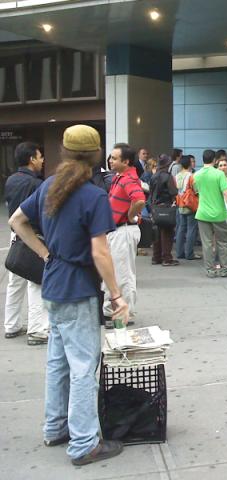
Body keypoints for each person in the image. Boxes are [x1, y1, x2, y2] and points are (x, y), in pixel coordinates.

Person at [9, 124, 128, 465]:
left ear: (63, 151)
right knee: (81, 367)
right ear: (95, 155)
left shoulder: (49, 185)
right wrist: (117, 296)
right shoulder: (93, 195)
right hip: (78, 289)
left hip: (54, 283)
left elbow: (17, 221)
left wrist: (46, 254)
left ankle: (55, 427)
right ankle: (83, 444)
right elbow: (101, 253)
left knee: (58, 363)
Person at [3, 141, 49, 345]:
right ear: (32, 159)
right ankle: (37, 330)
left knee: (15, 282)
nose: (42, 160)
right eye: (40, 156)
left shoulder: (11, 180)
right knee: (36, 283)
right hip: (33, 237)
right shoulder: (38, 184)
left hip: (15, 236)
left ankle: (11, 326)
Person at [102, 143, 145, 325]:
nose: (111, 161)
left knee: (123, 275)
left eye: (114, 158)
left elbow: (140, 200)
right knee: (116, 273)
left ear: (126, 161)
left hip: (124, 230)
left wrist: (130, 215)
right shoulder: (119, 177)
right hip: (118, 230)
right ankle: (112, 311)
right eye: (111, 157)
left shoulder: (128, 179)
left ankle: (123, 314)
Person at [193, 149, 227, 278]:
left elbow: (196, 191)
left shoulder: (196, 175)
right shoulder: (219, 174)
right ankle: (226, 270)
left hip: (202, 213)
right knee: (224, 242)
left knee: (207, 243)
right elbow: (226, 193)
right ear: (214, 160)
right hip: (219, 213)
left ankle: (210, 270)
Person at [149, 154, 179, 266]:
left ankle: (156, 257)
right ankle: (167, 258)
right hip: (166, 207)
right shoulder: (168, 176)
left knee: (156, 232)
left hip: (155, 207)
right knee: (167, 232)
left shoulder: (154, 176)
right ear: (167, 164)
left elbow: (151, 192)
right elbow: (173, 192)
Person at [175, 155, 201, 261]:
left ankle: (179, 252)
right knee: (191, 229)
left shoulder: (177, 176)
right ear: (189, 164)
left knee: (181, 228)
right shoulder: (191, 176)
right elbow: (196, 190)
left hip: (180, 203)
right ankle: (189, 253)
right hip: (190, 204)